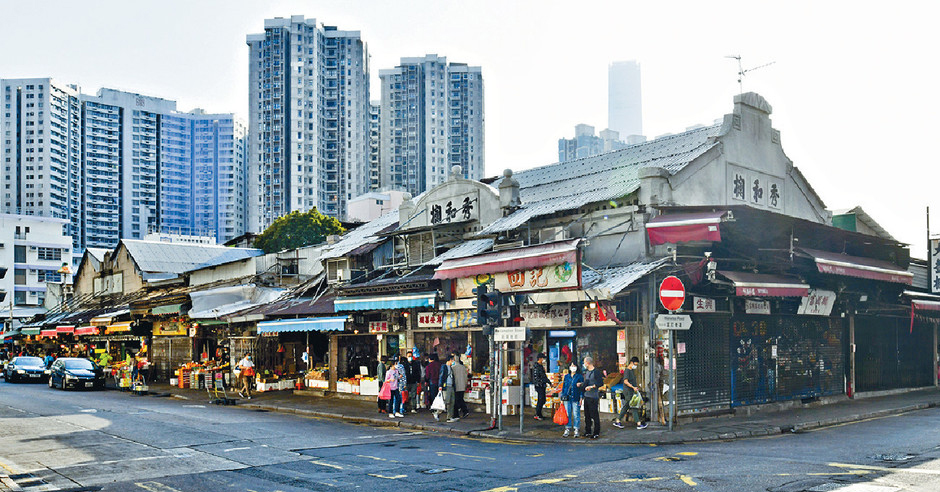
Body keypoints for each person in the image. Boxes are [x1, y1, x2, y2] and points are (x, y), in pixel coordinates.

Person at [613, 356, 647, 430]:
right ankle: (638, 423)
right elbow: (625, 381)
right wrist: (633, 387)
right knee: (634, 406)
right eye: (635, 364)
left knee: (626, 406)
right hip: (628, 391)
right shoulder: (627, 371)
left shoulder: (631, 370)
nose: (636, 366)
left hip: (632, 391)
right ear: (631, 363)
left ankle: (618, 420)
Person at [560, 362, 584, 438]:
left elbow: (582, 388)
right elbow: (564, 387)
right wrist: (562, 398)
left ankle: (576, 429)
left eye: (574, 365)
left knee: (576, 414)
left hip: (576, 397)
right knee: (568, 414)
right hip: (567, 397)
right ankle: (567, 428)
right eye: (571, 365)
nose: (573, 367)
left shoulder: (579, 376)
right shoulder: (566, 376)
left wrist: (581, 397)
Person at [581, 356, 602, 439]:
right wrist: (581, 385)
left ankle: (596, 432)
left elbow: (600, 383)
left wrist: (592, 387)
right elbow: (586, 383)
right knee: (587, 415)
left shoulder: (596, 372)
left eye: (584, 362)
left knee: (594, 415)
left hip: (593, 396)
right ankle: (588, 431)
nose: (584, 364)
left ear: (588, 363)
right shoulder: (587, 372)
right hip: (587, 396)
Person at [436, 354, 458, 422]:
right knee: (446, 401)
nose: (453, 362)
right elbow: (441, 377)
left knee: (452, 402)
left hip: (451, 386)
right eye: (453, 360)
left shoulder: (451, 368)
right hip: (446, 386)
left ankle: (449, 417)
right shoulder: (444, 367)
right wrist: (440, 386)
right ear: (450, 360)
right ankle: (437, 412)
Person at [531, 353, 550, 420]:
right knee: (541, 400)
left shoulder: (536, 366)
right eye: (543, 358)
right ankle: (538, 414)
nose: (543, 360)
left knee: (541, 399)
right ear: (540, 359)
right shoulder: (539, 366)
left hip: (538, 385)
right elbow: (543, 376)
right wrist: (549, 382)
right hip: (540, 385)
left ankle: (538, 414)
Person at [452, 353, 470, 418]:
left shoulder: (453, 368)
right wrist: (465, 384)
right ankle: (464, 411)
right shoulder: (463, 368)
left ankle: (460, 413)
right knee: (460, 399)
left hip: (456, 386)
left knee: (456, 400)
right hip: (462, 386)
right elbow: (466, 377)